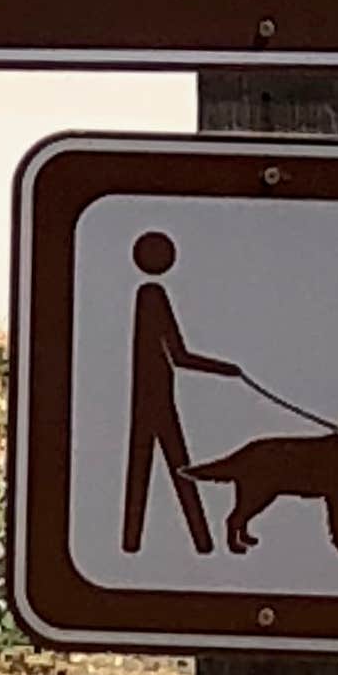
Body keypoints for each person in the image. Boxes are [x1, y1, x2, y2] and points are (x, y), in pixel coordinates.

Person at [122, 229, 241, 555]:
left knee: (161, 470)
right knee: (178, 470)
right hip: (154, 401)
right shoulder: (152, 296)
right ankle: (198, 545)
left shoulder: (149, 294)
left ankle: (143, 545)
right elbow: (178, 355)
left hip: (154, 398)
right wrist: (226, 369)